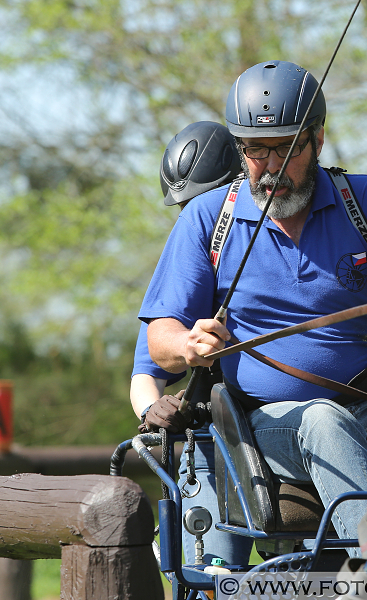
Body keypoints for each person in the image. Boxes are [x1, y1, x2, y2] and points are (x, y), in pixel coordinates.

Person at [139, 60, 367, 561]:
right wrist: (188, 344)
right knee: (323, 421)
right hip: (262, 424)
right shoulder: (206, 218)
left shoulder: (366, 199)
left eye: (288, 147)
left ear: (318, 140)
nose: (272, 165)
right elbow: (160, 341)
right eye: (256, 150)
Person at [130, 121, 251, 563]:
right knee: (210, 575)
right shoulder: (185, 260)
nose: (195, 216)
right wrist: (150, 408)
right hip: (214, 444)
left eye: (204, 201)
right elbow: (146, 369)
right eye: (185, 206)